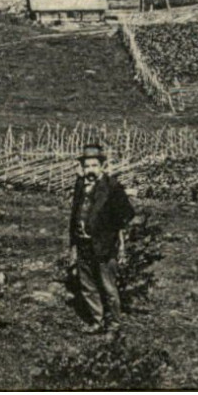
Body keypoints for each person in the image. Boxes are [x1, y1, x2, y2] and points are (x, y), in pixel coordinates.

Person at [67, 142, 135, 334]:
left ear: (102, 166)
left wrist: (110, 232)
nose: (90, 170)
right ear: (82, 167)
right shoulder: (80, 184)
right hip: (83, 243)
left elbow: (127, 214)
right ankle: (97, 321)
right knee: (87, 285)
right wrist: (73, 242)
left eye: (94, 166)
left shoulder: (112, 187)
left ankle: (113, 325)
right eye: (87, 166)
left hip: (103, 246)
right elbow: (75, 213)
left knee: (108, 287)